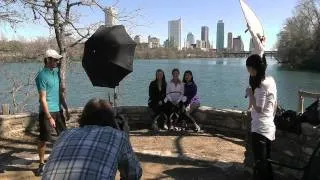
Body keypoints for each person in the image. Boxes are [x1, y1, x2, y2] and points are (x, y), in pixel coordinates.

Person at [42, 99, 142, 180]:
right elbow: (134, 174)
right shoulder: (117, 136)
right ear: (112, 120)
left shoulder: (64, 135)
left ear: (83, 118)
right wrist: (125, 138)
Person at [35, 49, 70, 176]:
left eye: (58, 59)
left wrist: (65, 108)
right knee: (43, 139)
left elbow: (60, 94)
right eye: (55, 59)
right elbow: (42, 99)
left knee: (64, 136)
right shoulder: (41, 76)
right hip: (46, 112)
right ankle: (41, 164)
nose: (57, 61)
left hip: (58, 111)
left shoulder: (56, 74)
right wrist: (49, 117)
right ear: (48, 59)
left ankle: (60, 160)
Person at [245, 54, 277, 180]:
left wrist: (250, 94)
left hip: (259, 129)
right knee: (266, 162)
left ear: (253, 68)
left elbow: (259, 108)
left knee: (260, 164)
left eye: (248, 68)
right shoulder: (271, 80)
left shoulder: (261, 85)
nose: (248, 72)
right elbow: (274, 103)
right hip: (269, 126)